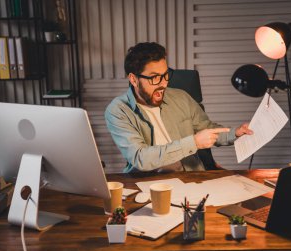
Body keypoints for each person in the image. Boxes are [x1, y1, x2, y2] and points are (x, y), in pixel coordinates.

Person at [105, 42, 253, 173]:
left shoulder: (181, 97)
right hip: (147, 183)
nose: (163, 83)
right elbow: (140, 157)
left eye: (165, 75)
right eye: (154, 77)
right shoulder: (118, 111)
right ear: (133, 79)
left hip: (189, 176)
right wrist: (194, 142)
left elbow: (207, 130)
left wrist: (236, 133)